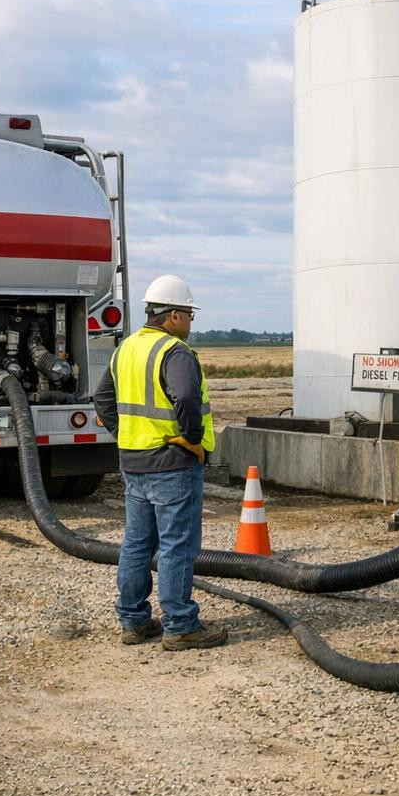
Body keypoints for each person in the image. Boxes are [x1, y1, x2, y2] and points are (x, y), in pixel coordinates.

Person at [94, 274, 228, 651]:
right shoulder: (174, 351)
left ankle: (134, 622)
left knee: (136, 544)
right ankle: (181, 625)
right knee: (176, 546)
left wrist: (126, 435)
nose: (190, 323)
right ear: (173, 316)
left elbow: (102, 398)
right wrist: (193, 439)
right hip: (173, 462)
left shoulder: (127, 348)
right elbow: (185, 396)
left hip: (134, 462)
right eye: (188, 315)